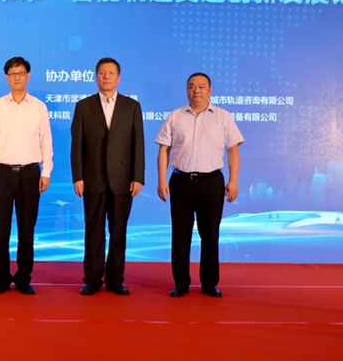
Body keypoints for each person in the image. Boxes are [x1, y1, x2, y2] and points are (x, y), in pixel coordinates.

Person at [155, 73, 244, 298]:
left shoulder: (223, 116)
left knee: (210, 234)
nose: (197, 91)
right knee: (180, 235)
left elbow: (233, 150)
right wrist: (161, 179)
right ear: (187, 90)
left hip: (211, 182)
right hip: (181, 182)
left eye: (202, 87)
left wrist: (233, 180)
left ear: (210, 91)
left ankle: (209, 283)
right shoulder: (175, 116)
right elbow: (164, 149)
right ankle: (181, 283)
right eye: (192, 86)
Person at [70, 57, 145, 296]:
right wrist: (78, 176)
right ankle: (92, 280)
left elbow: (138, 144)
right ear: (96, 77)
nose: (106, 77)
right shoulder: (84, 106)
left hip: (123, 180)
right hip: (92, 179)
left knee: (118, 232)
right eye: (102, 72)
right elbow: (77, 145)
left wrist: (137, 177)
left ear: (118, 78)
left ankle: (115, 280)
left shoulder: (131, 106)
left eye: (111, 73)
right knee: (93, 232)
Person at [0, 56, 53, 295]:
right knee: (0, 230)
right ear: (6, 78)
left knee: (26, 229)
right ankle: (1, 279)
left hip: (30, 173)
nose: (17, 77)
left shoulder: (39, 107)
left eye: (21, 73)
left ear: (28, 76)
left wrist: (46, 172)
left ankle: (23, 278)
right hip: (1, 172)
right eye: (12, 74)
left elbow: (46, 142)